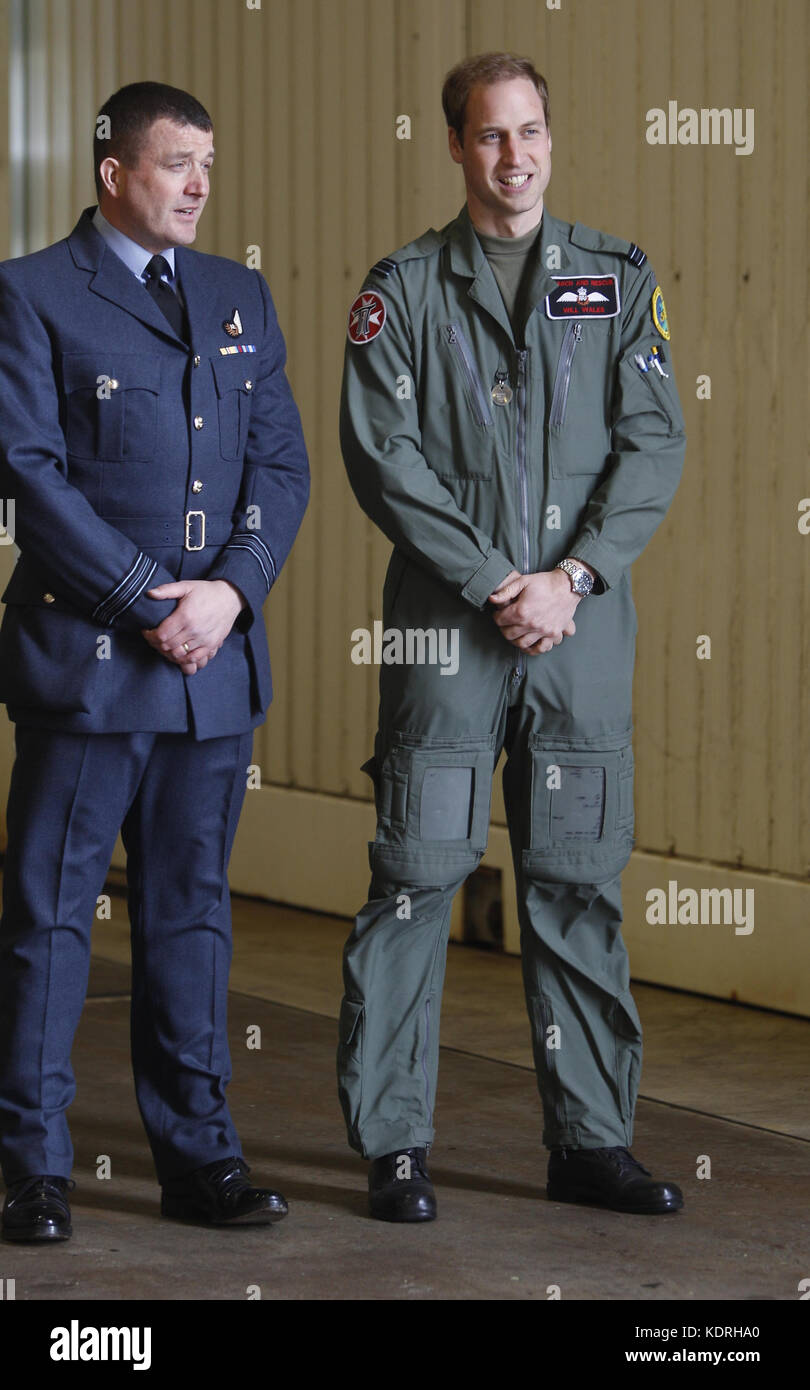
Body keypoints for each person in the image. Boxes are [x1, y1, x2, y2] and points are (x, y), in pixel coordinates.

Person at [337, 53, 686, 1222]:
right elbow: (384, 458)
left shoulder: (616, 277)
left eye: (531, 131)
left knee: (577, 884)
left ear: (551, 136)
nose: (516, 156)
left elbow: (654, 443)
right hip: (448, 628)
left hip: (579, 630)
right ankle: (394, 1147)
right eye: (491, 136)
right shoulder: (403, 290)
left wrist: (571, 576)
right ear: (453, 146)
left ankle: (590, 1141)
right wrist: (499, 579)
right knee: (414, 878)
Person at [0, 82, 309, 1241]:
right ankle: (33, 1166)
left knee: (191, 917)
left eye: (207, 165)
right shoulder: (31, 294)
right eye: (175, 163)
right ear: (112, 172)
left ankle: (200, 1160)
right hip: (90, 666)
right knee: (49, 916)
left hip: (210, 667)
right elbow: (31, 475)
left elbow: (281, 466)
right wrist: (145, 602)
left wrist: (229, 591)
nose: (197, 184)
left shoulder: (238, 295)